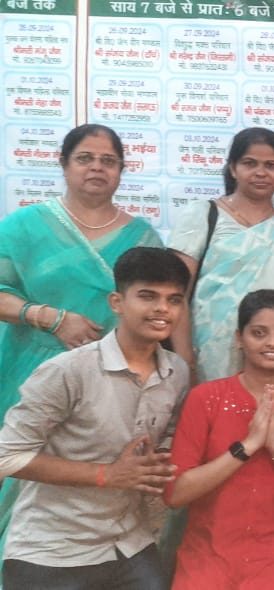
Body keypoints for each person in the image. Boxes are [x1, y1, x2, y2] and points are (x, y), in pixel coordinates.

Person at [0, 124, 163, 546]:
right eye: (85, 159)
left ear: (122, 170)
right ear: (64, 164)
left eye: (109, 161)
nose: (97, 168)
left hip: (109, 382)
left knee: (95, 480)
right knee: (17, 474)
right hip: (29, 372)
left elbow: (158, 307)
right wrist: (50, 317)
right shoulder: (24, 227)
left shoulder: (143, 238)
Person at [0, 247, 191, 590]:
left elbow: (164, 443)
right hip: (52, 551)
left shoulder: (176, 372)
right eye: (148, 296)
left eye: (173, 300)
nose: (162, 309)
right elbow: (6, 456)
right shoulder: (68, 371)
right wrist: (107, 474)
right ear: (117, 302)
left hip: (129, 544)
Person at [164, 290, 274, 589]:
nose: (272, 343)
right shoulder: (207, 398)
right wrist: (246, 447)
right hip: (206, 559)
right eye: (259, 333)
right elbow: (175, 493)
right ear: (239, 338)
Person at [169, 127, 274, 383]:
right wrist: (185, 358)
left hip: (269, 356)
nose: (260, 172)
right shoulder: (201, 215)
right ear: (233, 168)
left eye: (271, 165)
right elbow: (176, 294)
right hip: (202, 353)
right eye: (250, 163)